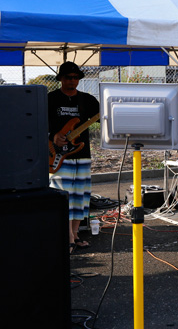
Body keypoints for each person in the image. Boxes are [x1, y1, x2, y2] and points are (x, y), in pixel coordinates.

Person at [48, 61, 100, 254]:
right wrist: (53, 136)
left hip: (82, 155)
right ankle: (67, 236)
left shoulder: (87, 100)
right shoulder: (50, 99)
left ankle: (75, 234)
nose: (72, 81)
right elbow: (38, 123)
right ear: (61, 78)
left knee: (80, 196)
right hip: (58, 155)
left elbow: (102, 116)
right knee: (63, 197)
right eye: (69, 77)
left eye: (76, 78)